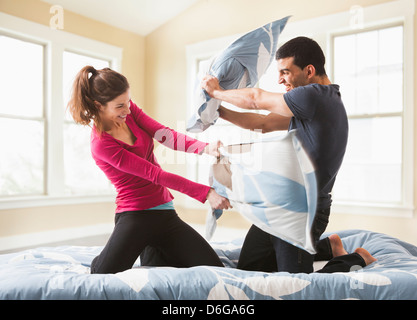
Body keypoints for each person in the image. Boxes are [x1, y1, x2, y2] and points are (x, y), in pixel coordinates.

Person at [201, 36, 376, 273]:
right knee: (249, 270)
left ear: (310, 70)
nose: (280, 79)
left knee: (296, 286)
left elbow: (255, 100)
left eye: (285, 72)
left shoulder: (314, 96)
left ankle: (355, 259)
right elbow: (263, 123)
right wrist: (218, 112)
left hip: (304, 211)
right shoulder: (314, 102)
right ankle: (326, 247)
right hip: (279, 203)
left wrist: (217, 92)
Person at [68, 66, 231, 274]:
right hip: (135, 217)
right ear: (99, 106)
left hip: (165, 214)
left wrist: (204, 148)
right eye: (120, 106)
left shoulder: (130, 111)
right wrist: (206, 192)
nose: (127, 109)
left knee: (214, 269)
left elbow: (165, 135)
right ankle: (132, 250)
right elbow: (155, 174)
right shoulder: (101, 143)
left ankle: (152, 251)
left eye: (128, 101)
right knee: (102, 275)